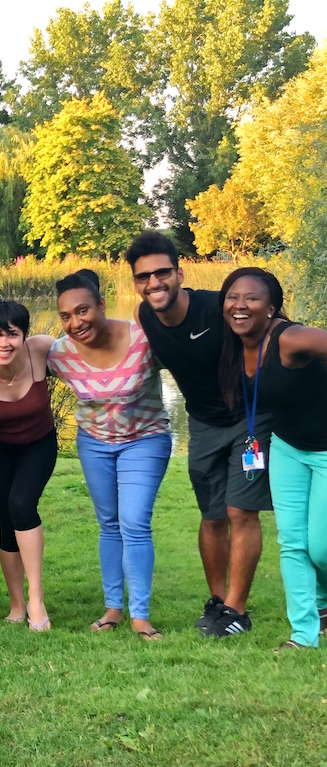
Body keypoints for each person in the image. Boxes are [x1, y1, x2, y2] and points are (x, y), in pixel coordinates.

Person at [128, 231, 271, 638]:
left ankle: (237, 612)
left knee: (241, 511)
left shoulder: (217, 307)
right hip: (203, 424)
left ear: (179, 272)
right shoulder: (144, 315)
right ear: (135, 283)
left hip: (249, 419)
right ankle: (218, 601)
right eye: (144, 277)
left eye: (163, 273)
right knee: (211, 516)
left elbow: (272, 327)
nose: (155, 283)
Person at [47, 269, 171, 640]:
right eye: (66, 316)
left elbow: (191, 357)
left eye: (82, 311)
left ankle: (141, 616)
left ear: (101, 304)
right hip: (94, 443)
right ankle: (113, 608)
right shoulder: (60, 354)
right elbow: (14, 358)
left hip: (145, 439)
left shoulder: (143, 339)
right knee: (110, 524)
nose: (75, 322)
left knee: (134, 521)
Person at [218, 268, 327, 650]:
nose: (240, 305)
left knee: (322, 546)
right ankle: (304, 635)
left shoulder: (291, 338)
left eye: (251, 298)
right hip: (286, 447)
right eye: (232, 297)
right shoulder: (237, 342)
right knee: (293, 543)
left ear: (272, 308)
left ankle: (324, 603)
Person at [0, 299, 57, 631]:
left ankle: (36, 600)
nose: (3, 343)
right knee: (7, 520)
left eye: (12, 334)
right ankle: (16, 604)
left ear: (25, 336)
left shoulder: (42, 350)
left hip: (39, 443)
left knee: (22, 505)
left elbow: (86, 356)